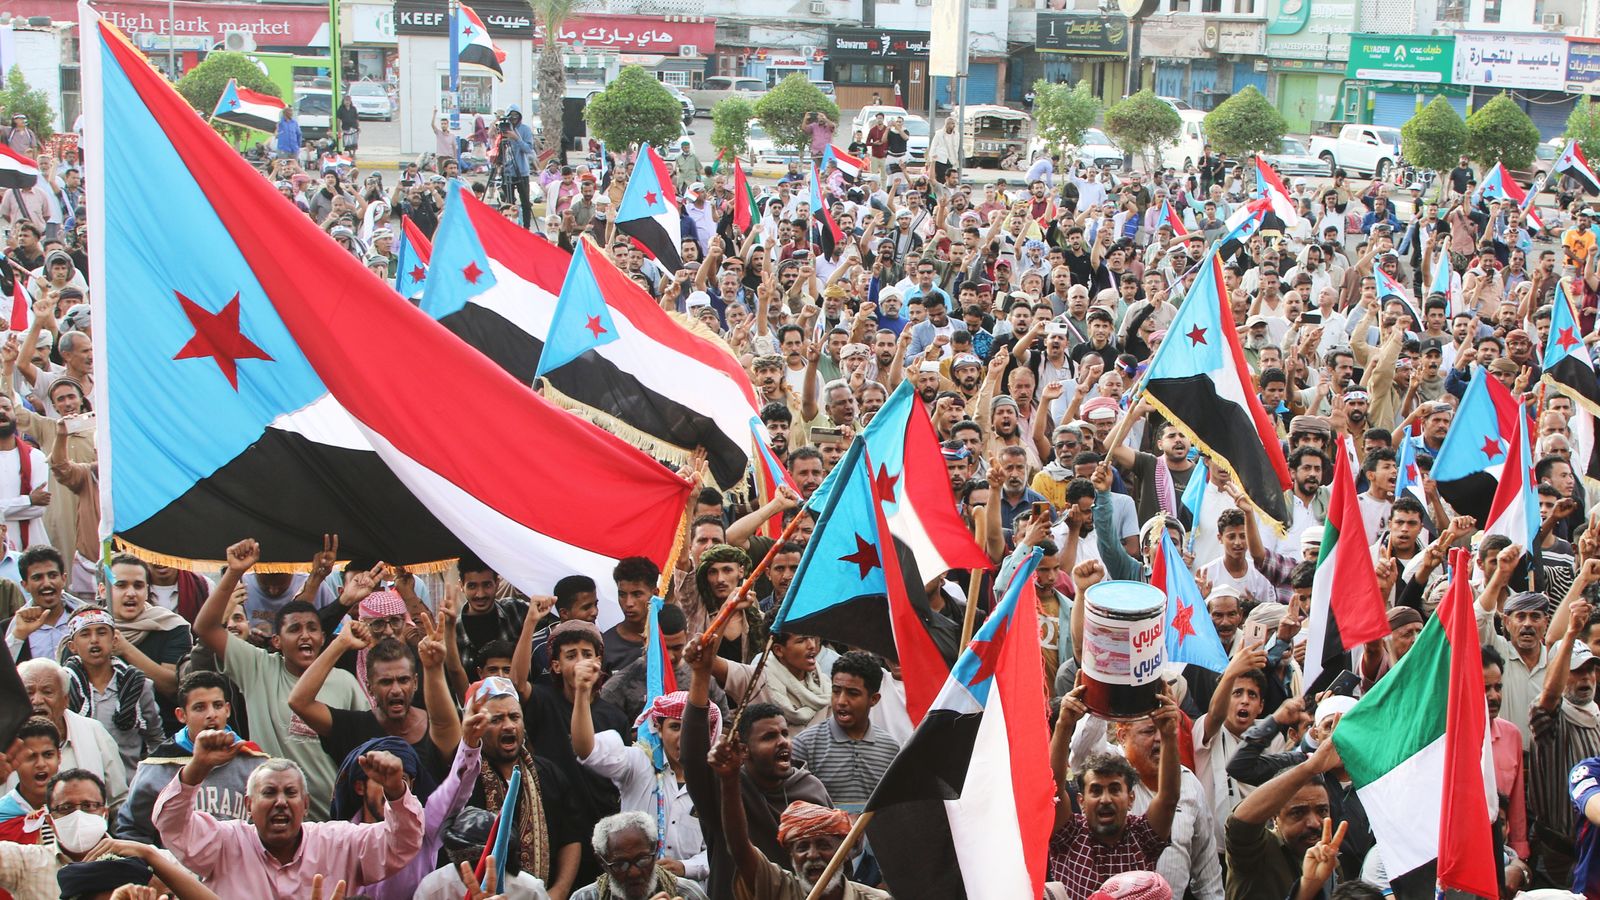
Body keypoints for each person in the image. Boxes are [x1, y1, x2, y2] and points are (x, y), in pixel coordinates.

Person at [192, 539, 370, 821]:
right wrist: (234, 573)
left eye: (313, 628)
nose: (305, 636)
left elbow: (365, 746)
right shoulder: (257, 667)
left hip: (334, 821)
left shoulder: (345, 682)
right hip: (272, 818)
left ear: (323, 638)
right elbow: (205, 627)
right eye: (295, 629)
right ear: (276, 641)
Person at [154, 732, 424, 899]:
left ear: (306, 804)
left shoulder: (340, 842)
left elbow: (402, 842)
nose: (281, 802)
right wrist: (197, 768)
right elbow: (172, 826)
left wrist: (395, 790)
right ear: (249, 804)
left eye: (290, 793)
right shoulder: (225, 841)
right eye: (269, 793)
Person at [709, 739, 889, 900]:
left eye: (823, 845)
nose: (812, 855)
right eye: (802, 848)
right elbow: (739, 847)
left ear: (844, 852)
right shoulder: (778, 888)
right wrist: (730, 779)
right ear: (791, 856)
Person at [1046, 691, 1182, 900]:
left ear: (1131, 799)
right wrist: (1064, 723)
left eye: (1115, 789)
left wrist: (1169, 734)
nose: (1106, 799)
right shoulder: (1069, 836)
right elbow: (1053, 790)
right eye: (1096, 790)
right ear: (1081, 801)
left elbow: (1168, 799)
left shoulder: (1143, 836)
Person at [115, 671, 268, 845]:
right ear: (181, 715)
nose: (211, 714)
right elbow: (132, 830)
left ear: (227, 710)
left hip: (240, 867)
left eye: (217, 705)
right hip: (173, 868)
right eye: (199, 707)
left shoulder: (256, 764)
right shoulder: (156, 767)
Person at [13, 658, 127, 804]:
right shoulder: (6, 739)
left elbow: (119, 800)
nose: (37, 700)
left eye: (47, 692)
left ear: (65, 700)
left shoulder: (94, 732)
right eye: (29, 693)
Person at [570, 811, 710, 900]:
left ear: (655, 851)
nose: (634, 872)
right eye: (621, 864)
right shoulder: (585, 897)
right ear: (602, 863)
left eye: (642, 860)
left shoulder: (687, 894)